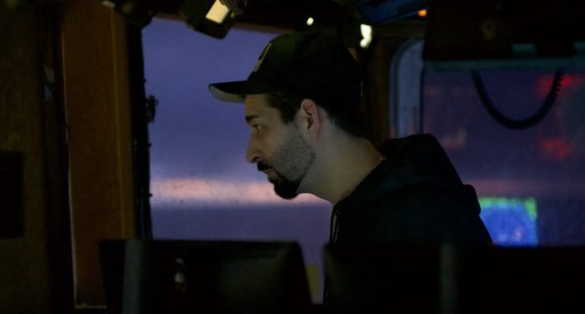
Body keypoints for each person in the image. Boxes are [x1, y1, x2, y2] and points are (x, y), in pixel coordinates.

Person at [208, 28, 491, 246]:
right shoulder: (368, 210)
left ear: (309, 118)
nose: (251, 153)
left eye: (259, 127)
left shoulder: (417, 229)